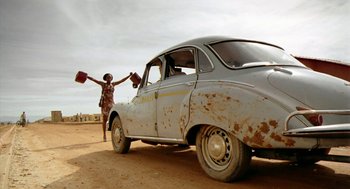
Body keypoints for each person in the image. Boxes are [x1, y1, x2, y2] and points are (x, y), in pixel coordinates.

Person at [87, 72, 132, 142]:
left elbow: (121, 81)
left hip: (112, 104)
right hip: (105, 104)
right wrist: (87, 76)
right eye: (108, 77)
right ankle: (104, 135)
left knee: (115, 119)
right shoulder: (103, 84)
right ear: (105, 78)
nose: (109, 78)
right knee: (105, 120)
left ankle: (115, 135)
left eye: (110, 77)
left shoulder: (113, 84)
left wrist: (129, 76)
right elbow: (94, 80)